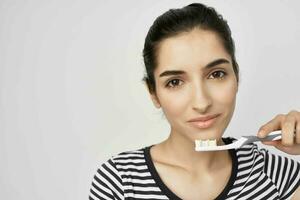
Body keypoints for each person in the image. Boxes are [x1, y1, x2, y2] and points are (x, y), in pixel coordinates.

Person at [89, 3, 300, 200]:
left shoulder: (274, 174)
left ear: (236, 76)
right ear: (153, 93)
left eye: (216, 74)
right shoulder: (120, 182)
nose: (201, 103)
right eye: (174, 82)